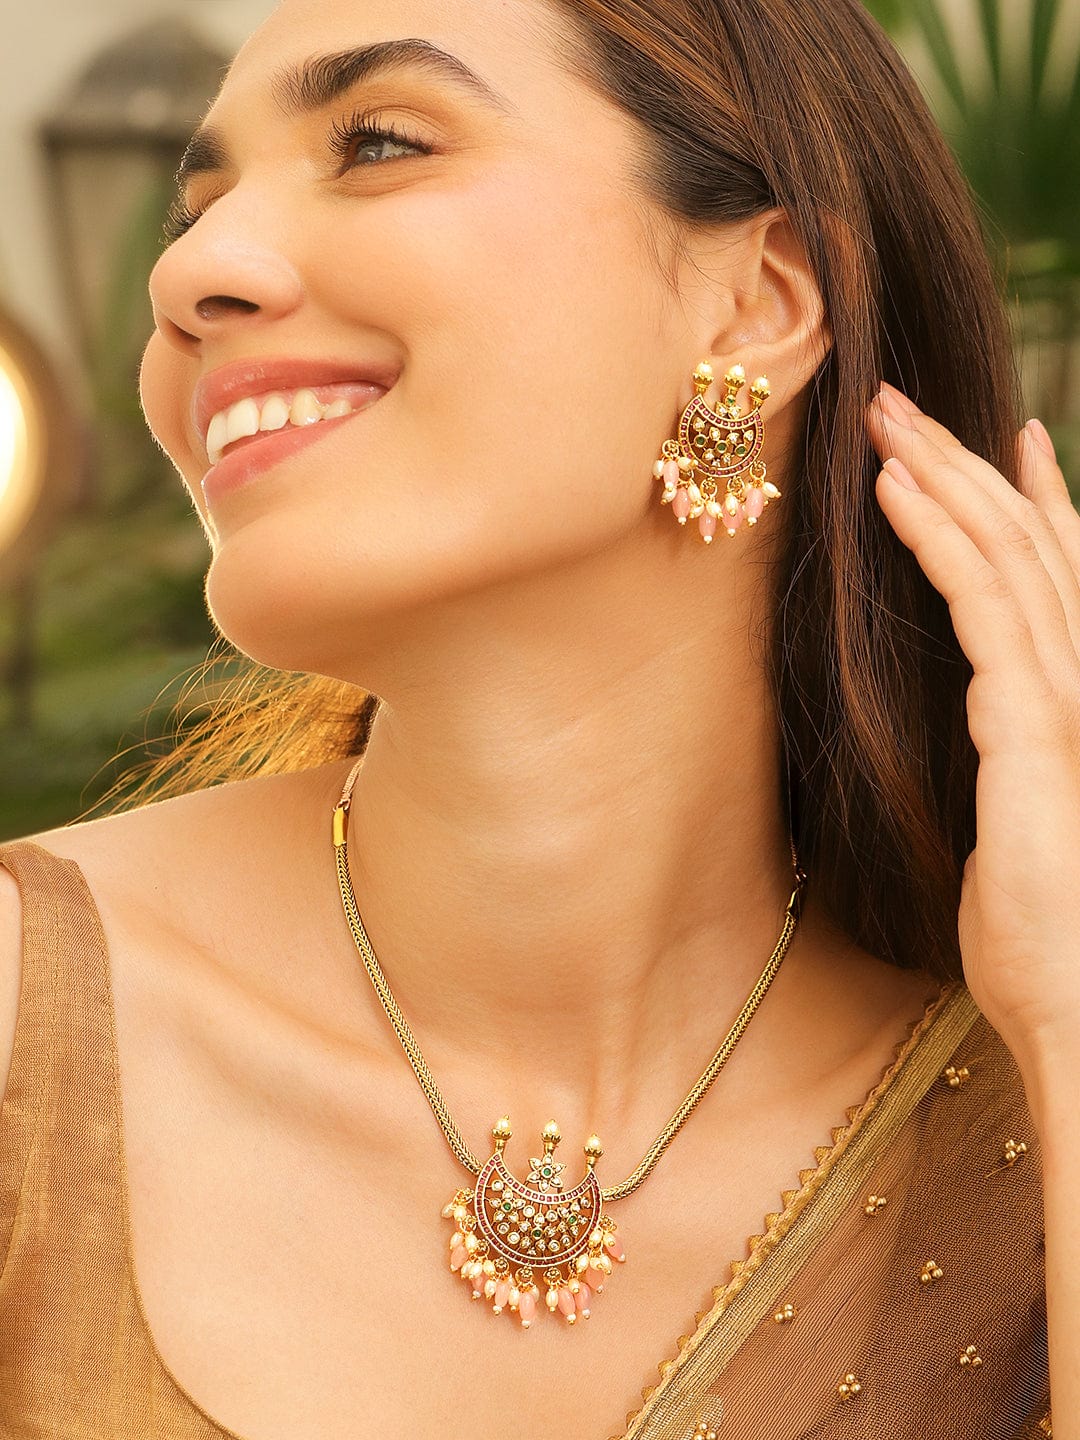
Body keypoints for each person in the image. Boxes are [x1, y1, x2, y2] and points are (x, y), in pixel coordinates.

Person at [1, 0, 1075, 1435]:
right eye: (192, 213)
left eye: (380, 142)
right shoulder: (25, 1027)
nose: (189, 271)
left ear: (756, 305)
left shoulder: (1032, 1120)